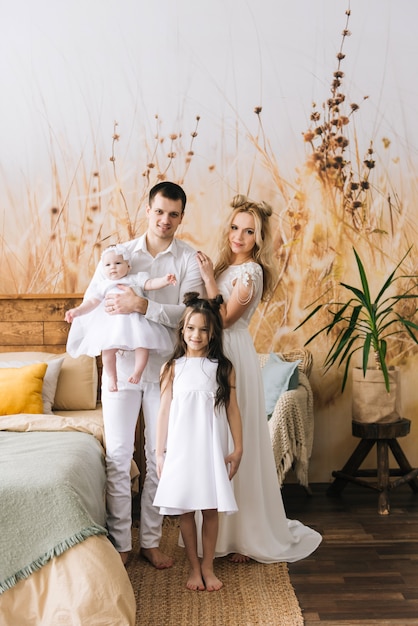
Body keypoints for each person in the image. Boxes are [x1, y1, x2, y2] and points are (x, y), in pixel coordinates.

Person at [196, 194, 322, 563]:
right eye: (235, 228)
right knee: (217, 439)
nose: (239, 236)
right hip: (214, 353)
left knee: (238, 439)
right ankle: (219, 531)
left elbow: (223, 318)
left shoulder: (250, 273)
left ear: (259, 239)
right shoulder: (225, 266)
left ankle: (247, 534)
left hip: (233, 354)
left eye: (248, 231)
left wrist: (206, 278)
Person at [83, 181, 203, 566]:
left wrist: (143, 304)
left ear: (181, 217)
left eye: (173, 214)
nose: (165, 220)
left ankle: (150, 539)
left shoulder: (187, 261)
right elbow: (94, 301)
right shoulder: (117, 255)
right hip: (120, 367)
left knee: (158, 456)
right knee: (118, 456)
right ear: (147, 210)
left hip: (165, 369)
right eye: (159, 211)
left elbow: (189, 316)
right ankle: (120, 541)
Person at [153, 292, 243, 591]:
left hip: (210, 448)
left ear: (213, 332)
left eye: (204, 329)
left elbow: (232, 408)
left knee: (210, 509)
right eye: (191, 328)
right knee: (186, 511)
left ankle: (208, 565)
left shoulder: (222, 368)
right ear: (182, 330)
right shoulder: (171, 368)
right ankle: (193, 567)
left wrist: (238, 448)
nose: (197, 334)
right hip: (181, 449)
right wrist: (159, 452)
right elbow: (164, 411)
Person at [65, 245, 176, 392]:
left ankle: (137, 372)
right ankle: (112, 377)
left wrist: (165, 280)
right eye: (108, 265)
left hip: (136, 322)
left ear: (128, 266)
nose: (113, 267)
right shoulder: (104, 285)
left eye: (118, 263)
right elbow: (92, 302)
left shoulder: (135, 279)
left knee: (143, 345)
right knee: (107, 351)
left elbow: (150, 284)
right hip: (113, 325)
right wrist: (77, 311)